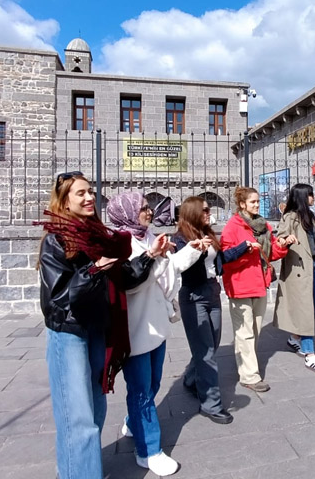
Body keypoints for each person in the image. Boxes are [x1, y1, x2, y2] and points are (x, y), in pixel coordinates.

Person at [38, 172, 157, 479]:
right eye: (80, 194)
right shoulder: (57, 240)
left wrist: (148, 258)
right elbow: (57, 300)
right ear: (64, 201)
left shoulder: (96, 235)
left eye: (90, 191)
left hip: (95, 330)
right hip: (70, 334)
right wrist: (92, 270)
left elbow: (123, 278)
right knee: (78, 419)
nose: (90, 197)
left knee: (96, 409)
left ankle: (77, 468)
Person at [107, 192, 203, 476]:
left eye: (149, 208)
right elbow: (130, 284)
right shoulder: (120, 244)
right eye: (143, 208)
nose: (149, 212)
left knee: (153, 385)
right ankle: (148, 451)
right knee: (141, 392)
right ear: (126, 212)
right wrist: (154, 257)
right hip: (135, 329)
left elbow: (167, 273)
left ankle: (133, 421)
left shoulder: (149, 237)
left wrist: (191, 250)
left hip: (156, 325)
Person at [173, 196, 249, 424]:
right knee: (205, 352)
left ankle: (190, 379)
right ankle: (211, 404)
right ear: (193, 212)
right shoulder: (179, 239)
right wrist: (197, 250)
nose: (208, 213)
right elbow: (182, 268)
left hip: (213, 292)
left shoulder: (208, 234)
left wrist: (243, 248)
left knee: (212, 345)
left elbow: (220, 259)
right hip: (193, 296)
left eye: (208, 210)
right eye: (204, 210)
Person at [220, 187, 290, 392]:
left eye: (258, 202)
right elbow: (225, 260)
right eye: (252, 202)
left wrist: (284, 244)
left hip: (260, 282)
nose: (257, 205)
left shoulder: (263, 225)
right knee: (244, 333)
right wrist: (246, 250)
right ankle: (250, 376)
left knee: (255, 330)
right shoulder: (232, 226)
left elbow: (273, 252)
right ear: (242, 204)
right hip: (240, 284)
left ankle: (244, 362)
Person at [274, 184, 315, 375]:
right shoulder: (290, 216)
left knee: (314, 308)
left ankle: (294, 338)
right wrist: (286, 240)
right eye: (309, 195)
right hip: (299, 270)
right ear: (301, 197)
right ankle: (310, 354)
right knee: (307, 312)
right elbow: (280, 239)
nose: (313, 197)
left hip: (313, 266)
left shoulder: (310, 216)